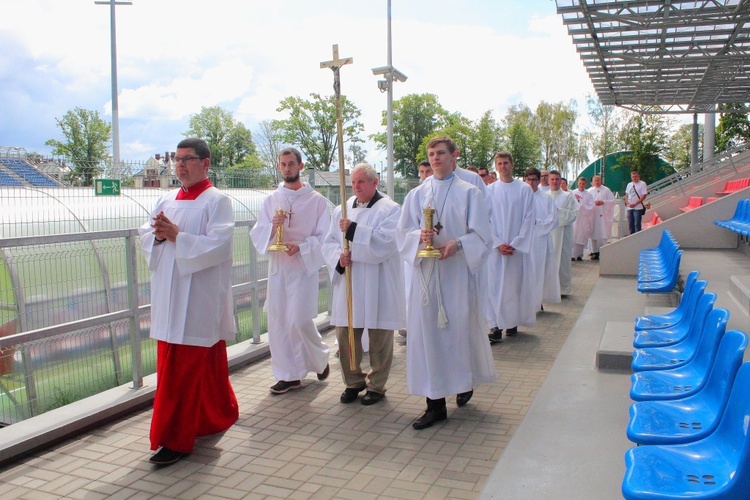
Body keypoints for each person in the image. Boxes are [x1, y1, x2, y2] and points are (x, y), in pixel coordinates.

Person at [139, 138, 239, 466]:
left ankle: (176, 439)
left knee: (184, 371)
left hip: (198, 299)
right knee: (198, 367)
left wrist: (178, 237)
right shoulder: (166, 198)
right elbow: (147, 233)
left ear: (206, 163)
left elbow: (220, 246)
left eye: (188, 159)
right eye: (177, 160)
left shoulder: (217, 201)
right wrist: (157, 235)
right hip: (168, 298)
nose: (180, 165)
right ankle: (215, 415)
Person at [397, 135, 496, 430]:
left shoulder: (469, 193)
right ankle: (434, 404)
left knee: (456, 335)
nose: (435, 158)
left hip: (455, 276)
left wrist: (459, 243)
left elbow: (483, 236)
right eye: (431, 153)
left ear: (454, 157)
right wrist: (419, 237)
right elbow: (402, 234)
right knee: (427, 338)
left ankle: (463, 382)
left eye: (441, 153)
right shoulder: (416, 195)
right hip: (426, 277)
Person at [249, 147, 331, 395]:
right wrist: (272, 228)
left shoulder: (316, 201)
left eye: (291, 164)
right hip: (279, 267)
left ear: (300, 166)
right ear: (278, 167)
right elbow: (258, 233)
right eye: (283, 164)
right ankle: (288, 376)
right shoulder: (271, 200)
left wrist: (303, 247)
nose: (287, 168)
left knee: (299, 319)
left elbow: (326, 237)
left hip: (302, 267)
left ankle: (320, 358)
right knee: (278, 321)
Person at [322, 163, 405, 406]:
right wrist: (339, 256)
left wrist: (355, 231)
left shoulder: (390, 210)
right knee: (346, 334)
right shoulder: (342, 210)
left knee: (379, 336)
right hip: (350, 279)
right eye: (353, 182)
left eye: (361, 182)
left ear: (374, 182)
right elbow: (328, 242)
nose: (356, 187)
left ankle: (377, 385)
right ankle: (353, 381)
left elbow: (387, 243)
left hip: (378, 281)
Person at [486, 152, 535, 343]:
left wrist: (516, 243)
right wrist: (497, 243)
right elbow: (485, 219)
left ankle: (512, 321)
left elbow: (529, 218)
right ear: (496, 167)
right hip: (496, 249)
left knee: (513, 286)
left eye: (506, 163)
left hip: (515, 249)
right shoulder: (490, 190)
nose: (502, 166)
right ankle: (494, 325)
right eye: (499, 163)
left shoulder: (524, 189)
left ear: (512, 165)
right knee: (494, 286)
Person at [524, 168, 560, 307]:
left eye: (534, 179)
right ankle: (526, 301)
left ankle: (537, 301)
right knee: (525, 272)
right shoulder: (521, 196)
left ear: (539, 181)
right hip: (523, 240)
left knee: (538, 271)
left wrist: (537, 224)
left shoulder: (546, 198)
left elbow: (554, 219)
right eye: (529, 179)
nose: (531, 182)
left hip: (540, 240)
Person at [547, 170, 578, 296]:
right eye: (552, 179)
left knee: (563, 261)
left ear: (561, 181)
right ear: (548, 181)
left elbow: (572, 214)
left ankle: (563, 289)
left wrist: (555, 212)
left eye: (557, 179)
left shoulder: (568, 196)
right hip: (548, 234)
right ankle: (549, 289)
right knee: (549, 262)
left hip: (563, 233)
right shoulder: (545, 196)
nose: (554, 182)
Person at [587, 175, 615, 260]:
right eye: (595, 180)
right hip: (593, 215)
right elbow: (586, 203)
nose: (597, 182)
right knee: (593, 233)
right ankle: (594, 251)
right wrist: (593, 204)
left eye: (598, 180)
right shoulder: (589, 191)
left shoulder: (606, 190)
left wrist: (603, 202)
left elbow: (612, 201)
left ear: (601, 181)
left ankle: (603, 250)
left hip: (603, 216)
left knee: (603, 232)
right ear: (592, 181)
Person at [571, 177, 594, 261]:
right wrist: (577, 201)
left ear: (586, 184)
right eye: (580, 183)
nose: (581, 185)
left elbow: (591, 206)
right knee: (574, 235)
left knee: (581, 236)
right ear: (578, 183)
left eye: (583, 184)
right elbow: (570, 204)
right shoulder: (572, 193)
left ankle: (580, 254)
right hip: (575, 218)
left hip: (583, 218)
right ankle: (572, 255)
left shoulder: (588, 195)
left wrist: (583, 207)